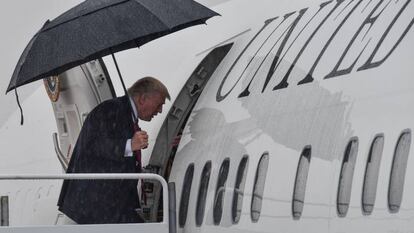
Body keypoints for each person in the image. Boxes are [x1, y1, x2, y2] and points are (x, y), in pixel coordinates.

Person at [57, 77, 170, 224]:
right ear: (142, 99)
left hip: (111, 203)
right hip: (98, 204)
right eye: (159, 104)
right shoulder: (110, 110)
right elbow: (93, 146)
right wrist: (129, 145)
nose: (160, 110)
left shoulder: (125, 114)